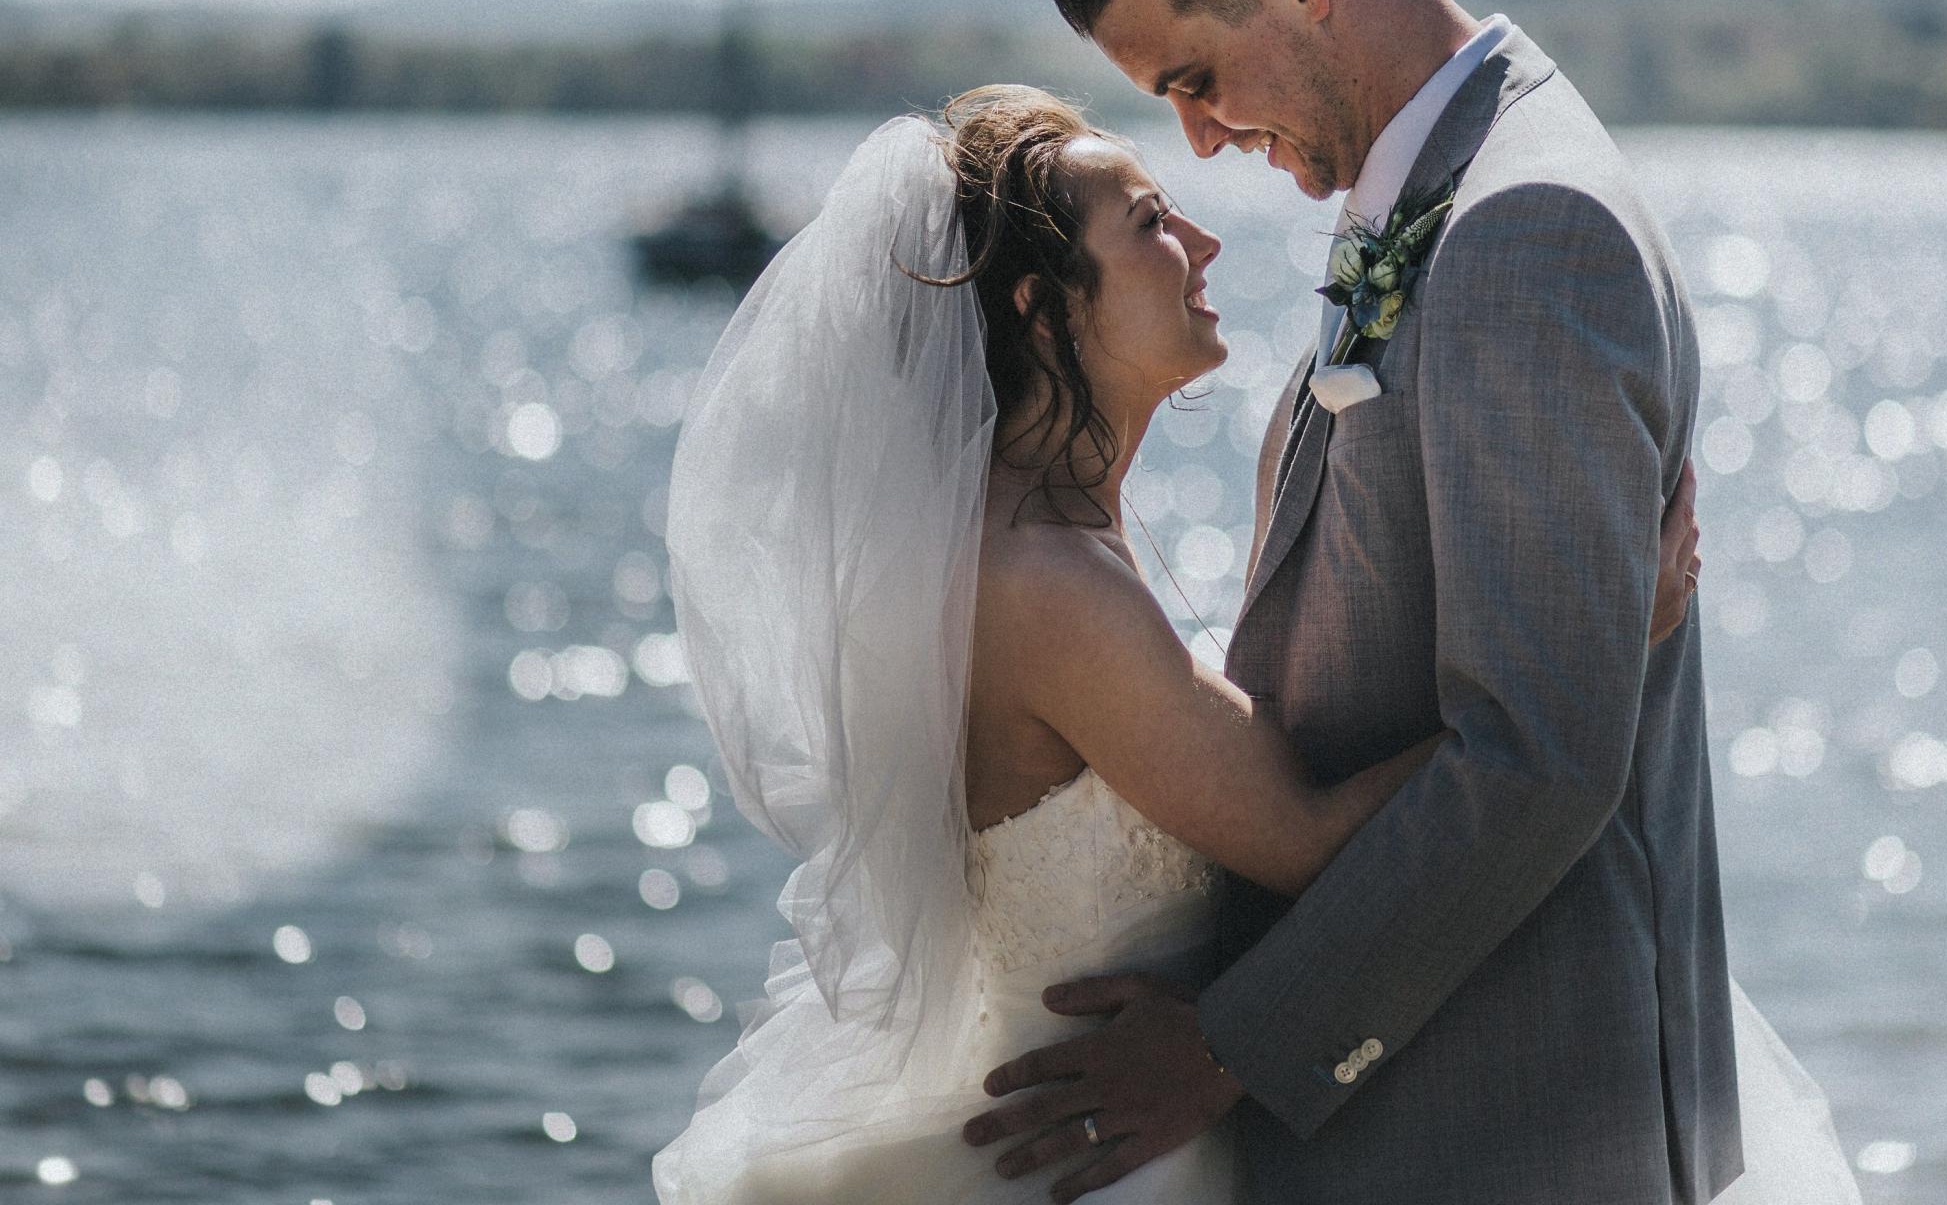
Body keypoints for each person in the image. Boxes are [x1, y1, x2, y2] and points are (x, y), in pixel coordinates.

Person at [965, 0, 1860, 1204]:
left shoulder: (1522, 230)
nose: (1198, 142)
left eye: (1198, 78)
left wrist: (1228, 1053)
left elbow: (1539, 759)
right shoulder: (1438, 195)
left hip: (1506, 1126)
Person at [651, 89, 1704, 1203]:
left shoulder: (1041, 537)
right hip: (1099, 1149)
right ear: (1044, 309)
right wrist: (1594, 637)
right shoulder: (1044, 584)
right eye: (1152, 226)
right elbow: (1301, 839)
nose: (1202, 241)